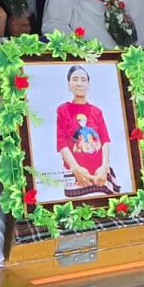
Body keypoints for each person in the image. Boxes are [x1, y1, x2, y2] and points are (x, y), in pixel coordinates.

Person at [56, 65, 118, 198]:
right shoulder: (63, 109)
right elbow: (61, 143)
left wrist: (104, 167)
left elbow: (105, 140)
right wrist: (76, 169)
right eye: (75, 79)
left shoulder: (97, 111)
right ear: (69, 85)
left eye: (83, 80)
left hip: (99, 173)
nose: (79, 83)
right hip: (76, 175)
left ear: (89, 85)